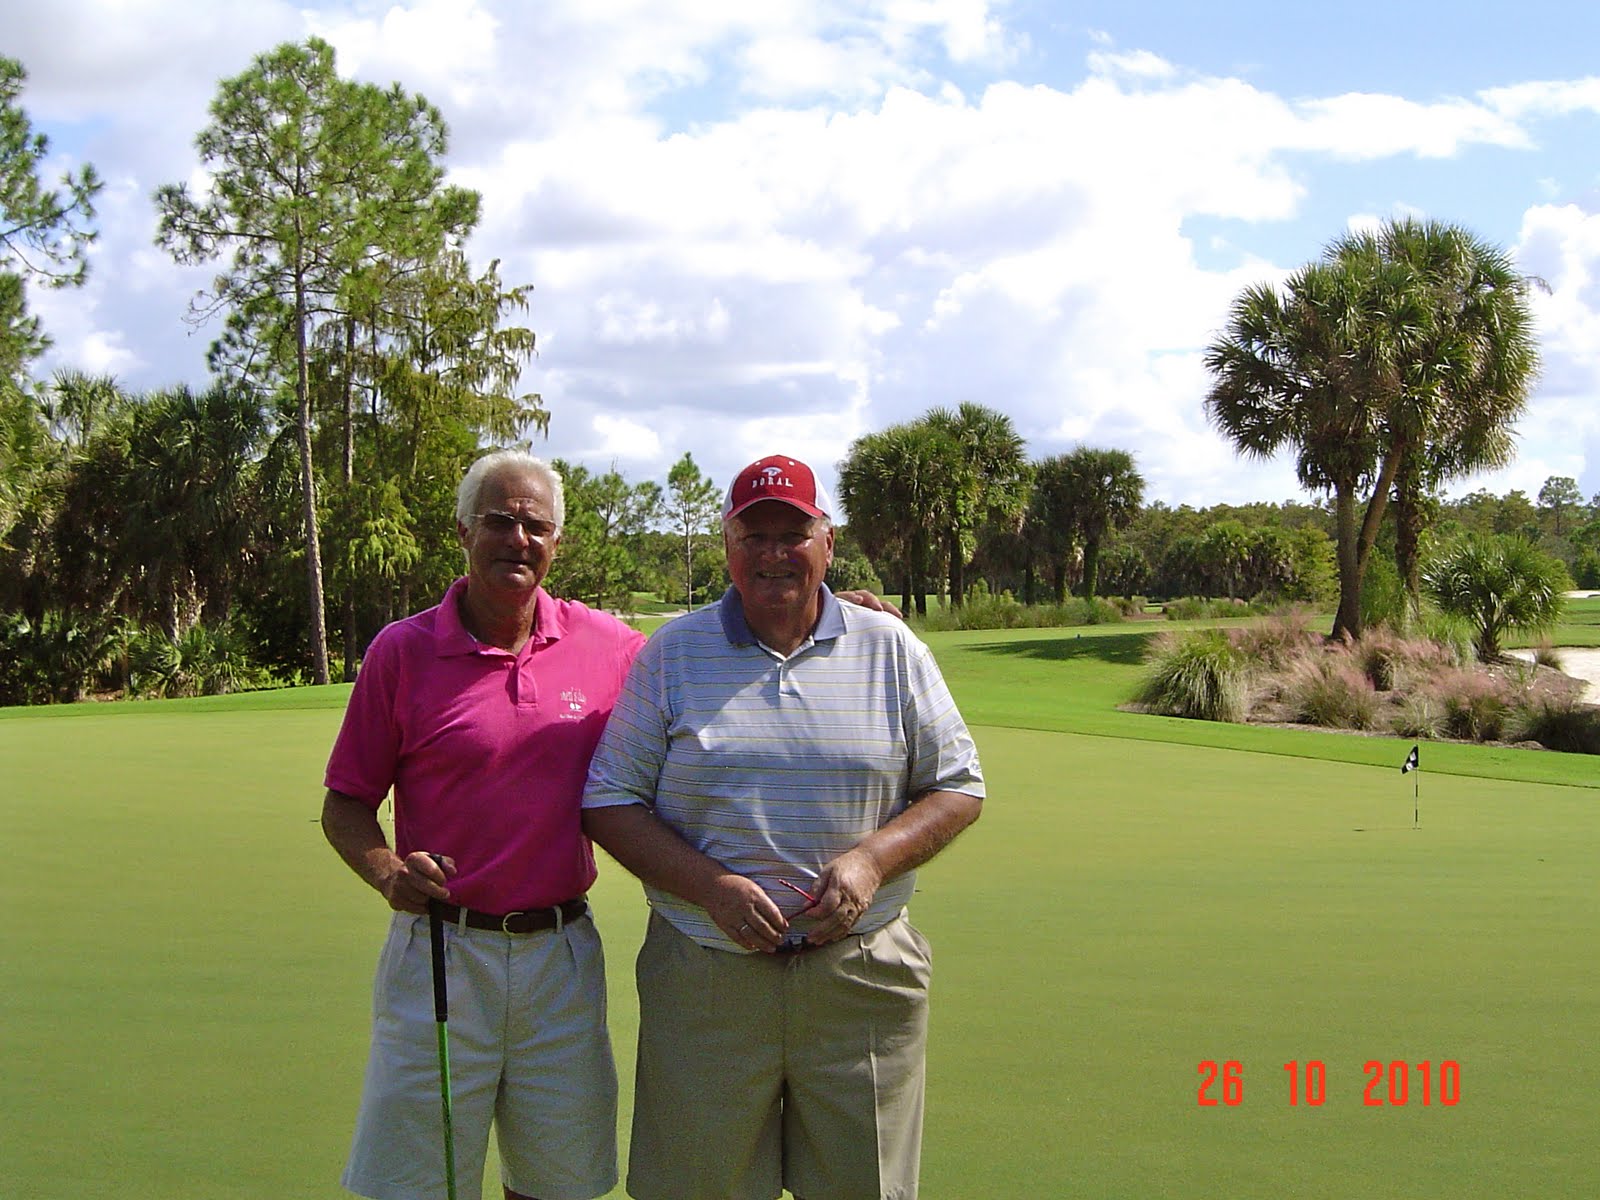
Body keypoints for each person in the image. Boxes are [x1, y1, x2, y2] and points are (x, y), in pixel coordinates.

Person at [582, 453, 985, 1200]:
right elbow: (609, 800)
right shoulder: (672, 654)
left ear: (827, 545)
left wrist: (870, 862)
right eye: (753, 535)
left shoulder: (890, 647)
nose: (773, 554)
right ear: (728, 548)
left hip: (859, 977)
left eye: (792, 534)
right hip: (707, 981)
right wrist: (712, 887)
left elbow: (958, 785)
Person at [321, 449, 643, 1200]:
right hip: (440, 950)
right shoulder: (402, 652)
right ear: (463, 531)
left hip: (560, 957)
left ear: (557, 542)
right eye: (499, 521)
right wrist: (385, 871)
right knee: (418, 1183)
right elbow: (345, 803)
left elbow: (706, 659)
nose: (517, 539)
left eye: (536, 525)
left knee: (557, 1184)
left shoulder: (612, 648)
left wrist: (834, 609)